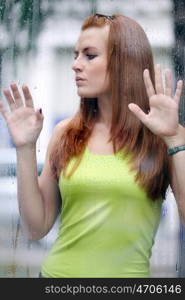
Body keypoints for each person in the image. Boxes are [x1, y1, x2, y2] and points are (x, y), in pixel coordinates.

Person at [0, 13, 185, 278]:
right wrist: (25, 148)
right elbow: (36, 227)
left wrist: (175, 139)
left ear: (123, 63)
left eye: (89, 55)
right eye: (75, 55)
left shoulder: (165, 136)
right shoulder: (65, 133)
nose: (75, 64)